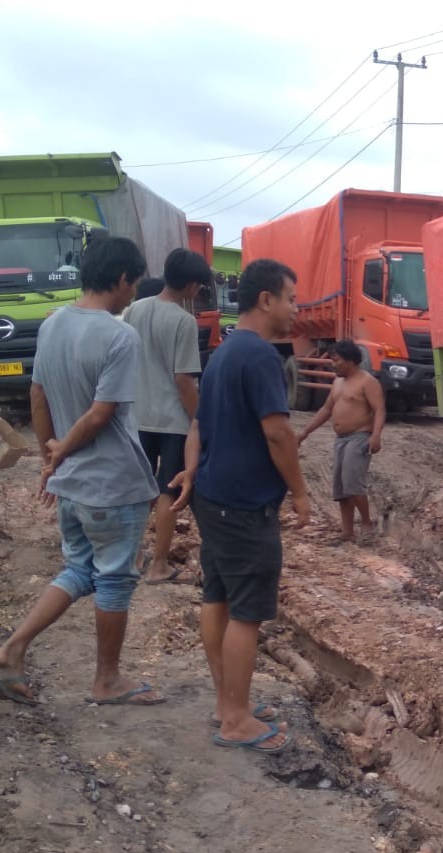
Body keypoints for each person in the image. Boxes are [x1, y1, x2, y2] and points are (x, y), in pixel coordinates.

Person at [0, 236, 165, 707]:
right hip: (111, 483)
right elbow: (100, 415)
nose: (133, 292)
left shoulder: (54, 324)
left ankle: (12, 648)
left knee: (80, 568)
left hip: (74, 484)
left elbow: (37, 396)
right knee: (114, 579)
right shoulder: (120, 335)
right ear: (122, 280)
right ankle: (108, 680)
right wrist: (57, 456)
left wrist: (50, 457)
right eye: (133, 283)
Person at [170, 258, 308, 755]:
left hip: (214, 495)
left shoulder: (225, 352)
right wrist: (300, 491)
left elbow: (199, 425)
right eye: (291, 298)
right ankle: (234, 719)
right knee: (247, 613)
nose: (296, 309)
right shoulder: (261, 357)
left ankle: (228, 702)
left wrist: (191, 472)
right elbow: (278, 432)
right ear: (266, 300)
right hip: (245, 503)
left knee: (218, 598)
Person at [124, 249, 209, 583]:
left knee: (138, 489)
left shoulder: (134, 310)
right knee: (167, 491)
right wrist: (200, 420)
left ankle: (132, 557)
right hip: (172, 420)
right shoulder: (183, 321)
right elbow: (184, 379)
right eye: (199, 285)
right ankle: (159, 564)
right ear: (190, 285)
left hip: (136, 414)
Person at [296, 340, 385, 542]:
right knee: (341, 487)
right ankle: (347, 531)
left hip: (360, 437)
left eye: (336, 360)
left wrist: (376, 435)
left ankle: (366, 523)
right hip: (340, 440)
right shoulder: (337, 382)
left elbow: (379, 409)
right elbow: (326, 409)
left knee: (352, 483)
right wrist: (305, 432)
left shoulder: (368, 382)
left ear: (350, 361)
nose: (332, 364)